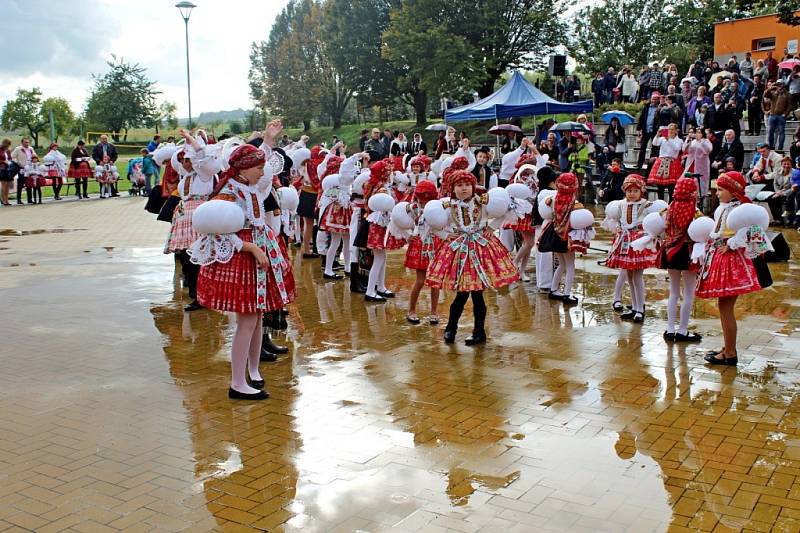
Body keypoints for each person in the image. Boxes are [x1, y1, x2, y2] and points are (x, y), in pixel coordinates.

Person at [189, 128, 296, 400]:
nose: (263, 172)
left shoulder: (247, 186)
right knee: (247, 319)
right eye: (258, 167)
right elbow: (217, 228)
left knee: (257, 316)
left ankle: (253, 369)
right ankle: (237, 382)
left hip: (258, 251)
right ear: (245, 168)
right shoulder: (230, 190)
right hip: (244, 256)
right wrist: (249, 247)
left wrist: (269, 140)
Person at [426, 170, 519, 345]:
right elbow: (431, 224)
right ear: (452, 188)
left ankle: (479, 331)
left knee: (477, 295)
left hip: (481, 250)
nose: (464, 189)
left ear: (473, 186)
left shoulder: (483, 202)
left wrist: (491, 229)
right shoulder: (446, 206)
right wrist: (445, 236)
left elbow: (505, 211)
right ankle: (451, 329)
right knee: (460, 295)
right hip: (458, 251)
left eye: (467, 185)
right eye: (459, 185)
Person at [695, 172, 770, 366]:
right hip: (723, 259)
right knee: (724, 307)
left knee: (726, 308)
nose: (717, 193)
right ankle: (728, 348)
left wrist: (731, 243)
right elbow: (719, 231)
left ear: (733, 191)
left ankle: (730, 352)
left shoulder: (741, 210)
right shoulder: (725, 208)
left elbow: (751, 231)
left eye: (721, 190)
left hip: (731, 263)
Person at [164, 130, 218, 311]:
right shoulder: (186, 177)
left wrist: (194, 142)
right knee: (188, 258)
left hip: (200, 216)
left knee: (201, 256)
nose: (185, 163)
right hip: (186, 217)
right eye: (183, 160)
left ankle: (203, 295)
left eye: (188, 160)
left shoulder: (204, 174)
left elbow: (203, 157)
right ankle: (196, 293)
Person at [603, 175, 656, 322]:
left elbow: (655, 221)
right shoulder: (620, 204)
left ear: (641, 191)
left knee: (637, 276)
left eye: (635, 190)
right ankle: (635, 307)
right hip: (625, 241)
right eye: (629, 190)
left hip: (639, 242)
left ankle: (640, 308)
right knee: (630, 277)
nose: (631, 193)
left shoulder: (647, 205)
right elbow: (615, 221)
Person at [657, 177, 704, 342]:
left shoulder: (668, 209)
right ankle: (683, 330)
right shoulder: (695, 212)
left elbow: (662, 229)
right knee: (689, 292)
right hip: (688, 252)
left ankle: (670, 329)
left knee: (674, 291)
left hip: (671, 251)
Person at [392, 180, 441, 325]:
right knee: (420, 281)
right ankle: (411, 310)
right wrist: (408, 236)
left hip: (435, 245)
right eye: (422, 198)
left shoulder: (436, 207)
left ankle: (434, 312)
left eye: (427, 198)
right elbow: (397, 220)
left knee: (435, 282)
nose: (424, 201)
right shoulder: (412, 208)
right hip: (420, 245)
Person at [362, 160, 405, 302]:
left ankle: (380, 286)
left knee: (382, 257)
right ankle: (370, 290)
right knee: (379, 258)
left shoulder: (375, 185)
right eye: (387, 171)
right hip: (379, 225)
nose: (390, 173)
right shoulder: (381, 187)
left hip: (378, 224)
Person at [648, 124, 683, 200]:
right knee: (660, 186)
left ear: (676, 131)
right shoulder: (663, 139)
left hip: (672, 162)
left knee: (671, 186)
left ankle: (670, 204)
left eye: (672, 129)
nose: (670, 131)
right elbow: (655, 143)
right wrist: (657, 135)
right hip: (661, 161)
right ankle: (661, 203)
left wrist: (669, 140)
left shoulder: (679, 140)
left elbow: (677, 148)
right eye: (669, 129)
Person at [683, 128, 713, 197]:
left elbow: (708, 150)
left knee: (700, 184)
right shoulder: (693, 141)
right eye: (696, 132)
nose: (697, 134)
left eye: (699, 132)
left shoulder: (706, 141)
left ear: (702, 134)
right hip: (691, 164)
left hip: (701, 166)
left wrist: (701, 141)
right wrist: (688, 140)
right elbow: (685, 150)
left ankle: (700, 198)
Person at [765, 156, 794, 224]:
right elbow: (775, 183)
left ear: (791, 165)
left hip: (789, 192)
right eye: (784, 164)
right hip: (779, 191)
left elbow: (793, 187)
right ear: (781, 164)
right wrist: (777, 192)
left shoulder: (794, 173)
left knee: (780, 199)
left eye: (788, 164)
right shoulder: (778, 171)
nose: (786, 166)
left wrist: (782, 193)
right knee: (770, 199)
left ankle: (786, 219)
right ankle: (777, 219)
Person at [636, 93, 662, 170]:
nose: (654, 100)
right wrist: (638, 129)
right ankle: (639, 164)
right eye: (653, 99)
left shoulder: (659, 108)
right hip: (646, 129)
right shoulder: (646, 107)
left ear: (658, 100)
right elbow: (641, 118)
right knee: (642, 147)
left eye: (656, 99)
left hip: (654, 130)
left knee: (654, 148)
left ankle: (651, 165)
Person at [765, 80, 792, 151]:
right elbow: (765, 94)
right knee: (770, 131)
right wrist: (771, 87)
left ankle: (780, 148)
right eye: (778, 84)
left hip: (781, 116)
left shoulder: (787, 94)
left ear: (783, 84)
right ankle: (771, 147)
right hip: (772, 115)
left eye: (780, 84)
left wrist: (785, 114)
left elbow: (790, 105)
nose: (779, 86)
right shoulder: (773, 92)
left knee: (781, 132)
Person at [11, 137, 37, 204]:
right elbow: (12, 157)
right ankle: (19, 199)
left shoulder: (31, 149)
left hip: (30, 168)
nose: (27, 143)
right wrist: (18, 163)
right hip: (22, 168)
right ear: (22, 142)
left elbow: (35, 156)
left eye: (28, 142)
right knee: (20, 184)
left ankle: (29, 199)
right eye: (25, 142)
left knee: (29, 184)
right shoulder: (18, 149)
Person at [0, 138, 14, 206]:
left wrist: (10, 161)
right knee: (4, 184)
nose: (8, 145)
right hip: (2, 168)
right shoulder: (0, 149)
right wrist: (4, 162)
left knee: (8, 185)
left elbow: (10, 158)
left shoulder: (8, 151)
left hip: (8, 168)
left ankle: (6, 200)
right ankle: (3, 200)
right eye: (8, 144)